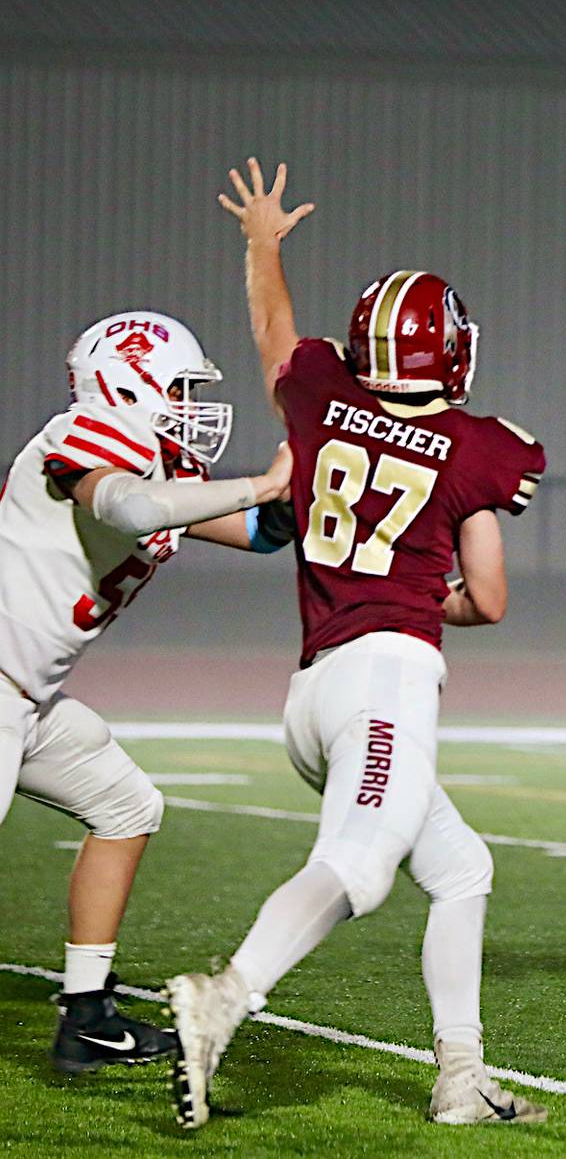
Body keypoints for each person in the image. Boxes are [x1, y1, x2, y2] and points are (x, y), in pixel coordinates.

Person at [165, 160, 547, 1129]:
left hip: (314, 693)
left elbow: (273, 333)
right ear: (455, 357)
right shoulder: (480, 448)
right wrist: (428, 592)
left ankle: (460, 1077)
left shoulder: (321, 391)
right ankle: (225, 998)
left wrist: (262, 243)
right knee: (364, 866)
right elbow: (490, 599)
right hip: (388, 679)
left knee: (460, 868)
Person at [0, 309, 294, 1072]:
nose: (195, 406)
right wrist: (261, 480)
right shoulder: (86, 433)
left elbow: (263, 532)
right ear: (128, 384)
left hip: (25, 698)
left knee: (127, 805)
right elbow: (129, 507)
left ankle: (88, 1013)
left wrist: (306, 470)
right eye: (182, 387)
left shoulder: (165, 465)